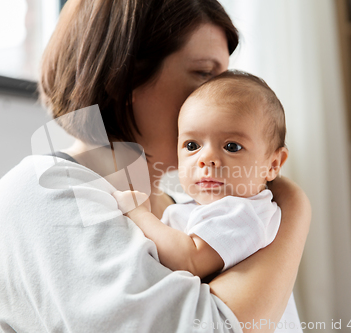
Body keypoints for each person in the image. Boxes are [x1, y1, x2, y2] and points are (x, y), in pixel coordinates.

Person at [0, 1, 311, 332]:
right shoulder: (42, 192)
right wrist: (294, 208)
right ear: (124, 77)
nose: (222, 98)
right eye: (205, 74)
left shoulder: (196, 214)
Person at [112, 70, 303, 332]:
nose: (206, 159)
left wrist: (138, 213)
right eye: (192, 146)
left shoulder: (246, 212)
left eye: (232, 146)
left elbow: (188, 260)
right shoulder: (193, 208)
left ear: (273, 164)